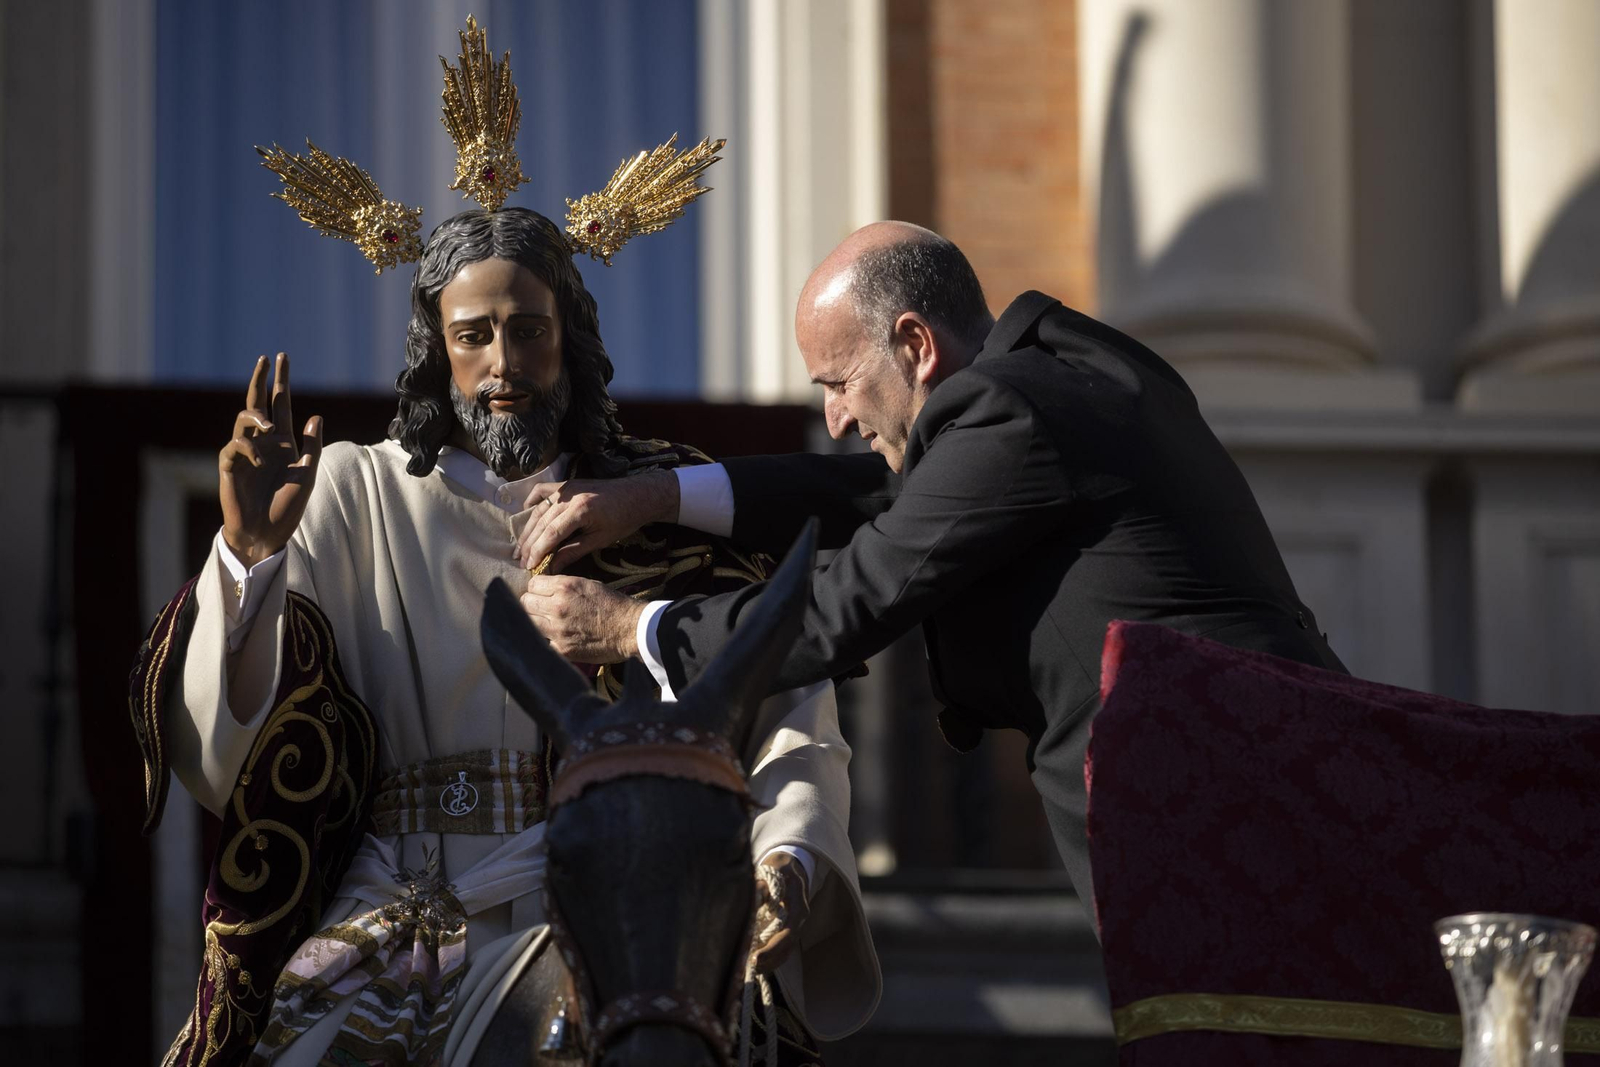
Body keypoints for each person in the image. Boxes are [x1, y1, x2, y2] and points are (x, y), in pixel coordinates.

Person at [128, 207, 879, 1067]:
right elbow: (228, 761)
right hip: (390, 916)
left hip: (604, 903)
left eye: (529, 330)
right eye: (473, 334)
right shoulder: (355, 490)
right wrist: (250, 557)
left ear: (571, 337)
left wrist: (790, 853)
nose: (503, 365)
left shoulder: (655, 503)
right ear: (434, 347)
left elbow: (783, 695)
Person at [512, 220, 1349, 919]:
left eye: (838, 383)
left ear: (913, 344)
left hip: (1218, 812)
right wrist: (658, 496)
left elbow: (849, 598)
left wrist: (629, 625)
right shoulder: (1054, 378)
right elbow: (876, 496)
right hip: (1258, 781)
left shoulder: (1011, 410)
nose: (835, 418)